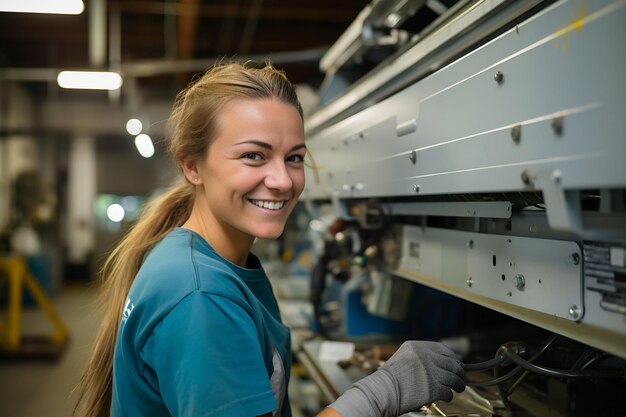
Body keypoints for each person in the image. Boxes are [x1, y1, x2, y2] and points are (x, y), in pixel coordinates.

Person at [73, 61, 465, 417]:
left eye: (294, 157)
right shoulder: (201, 296)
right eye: (254, 157)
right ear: (192, 166)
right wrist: (382, 392)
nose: (282, 181)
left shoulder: (202, 260)